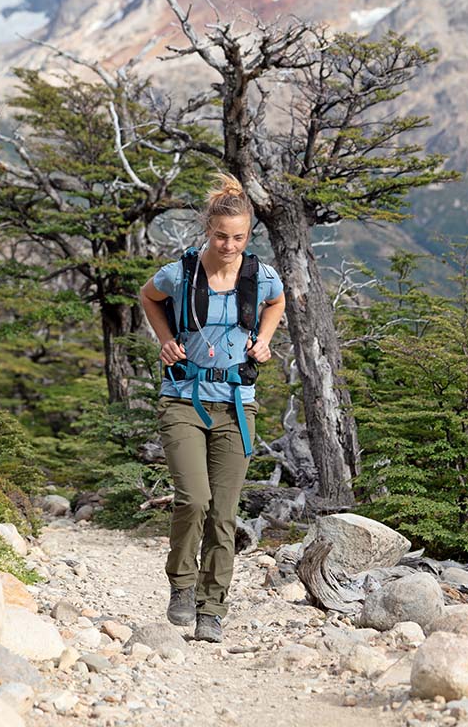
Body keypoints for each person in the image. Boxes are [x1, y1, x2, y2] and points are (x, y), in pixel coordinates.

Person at [138, 173, 286, 642]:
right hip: (183, 398)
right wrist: (165, 340)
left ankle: (212, 608)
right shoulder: (179, 273)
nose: (228, 245)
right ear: (208, 230)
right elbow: (149, 296)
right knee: (194, 499)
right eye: (221, 236)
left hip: (237, 405)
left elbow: (277, 302)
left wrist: (263, 341)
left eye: (238, 237)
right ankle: (181, 585)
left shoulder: (260, 277)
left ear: (249, 235)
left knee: (223, 511)